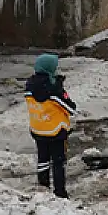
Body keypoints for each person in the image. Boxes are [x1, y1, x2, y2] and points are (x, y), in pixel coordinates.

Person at [24, 53, 77, 199]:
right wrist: (60, 87)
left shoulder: (29, 87)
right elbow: (71, 108)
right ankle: (60, 192)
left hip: (38, 129)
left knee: (43, 159)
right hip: (56, 131)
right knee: (58, 162)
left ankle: (43, 186)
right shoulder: (54, 90)